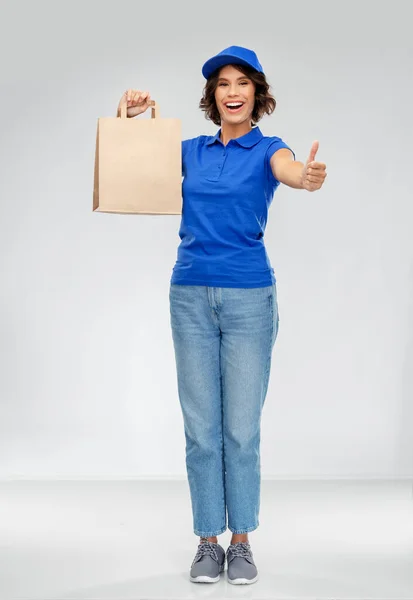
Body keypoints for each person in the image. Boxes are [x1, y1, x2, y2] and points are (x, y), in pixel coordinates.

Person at [117, 45, 327, 585]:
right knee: (202, 429)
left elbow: (290, 170)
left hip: (248, 298)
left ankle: (242, 542)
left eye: (242, 83)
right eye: (222, 84)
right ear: (212, 97)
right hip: (188, 295)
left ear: (257, 93)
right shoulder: (190, 150)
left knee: (241, 430)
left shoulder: (268, 149)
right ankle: (208, 541)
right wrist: (136, 117)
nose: (233, 92)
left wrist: (306, 176)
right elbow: (134, 163)